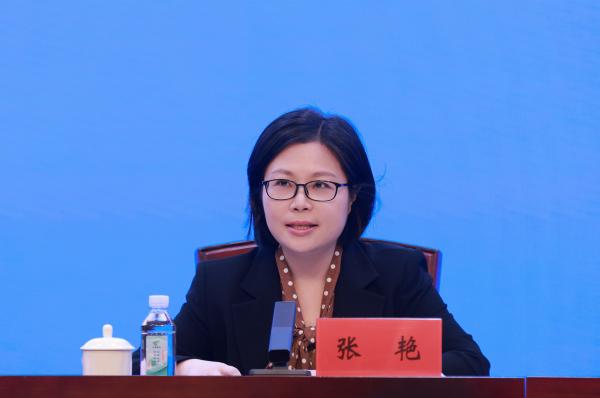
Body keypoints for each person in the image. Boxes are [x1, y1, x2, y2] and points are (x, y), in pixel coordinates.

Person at [134, 107, 490, 376]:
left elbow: (469, 362)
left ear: (353, 196)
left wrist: (390, 369)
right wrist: (186, 367)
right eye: (282, 184)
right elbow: (146, 360)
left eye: (321, 185)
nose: (300, 202)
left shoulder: (397, 273)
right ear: (259, 194)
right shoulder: (219, 282)